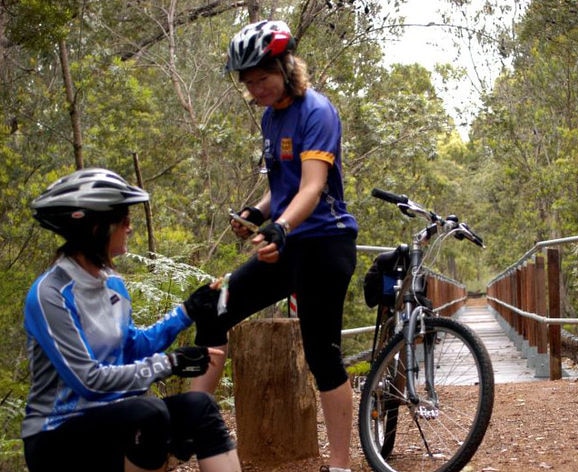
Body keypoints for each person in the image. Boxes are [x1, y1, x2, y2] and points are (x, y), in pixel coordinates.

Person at [189, 20, 359, 472]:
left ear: (286, 68)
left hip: (325, 244)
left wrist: (279, 227)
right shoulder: (270, 117)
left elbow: (313, 186)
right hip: (287, 243)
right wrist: (257, 214)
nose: (255, 88)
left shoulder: (317, 111)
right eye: (247, 82)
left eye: (262, 78)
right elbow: (282, 187)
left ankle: (339, 465)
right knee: (214, 307)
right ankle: (191, 431)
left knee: (322, 354)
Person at [22, 168, 241, 472]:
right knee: (148, 413)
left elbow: (132, 345)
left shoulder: (112, 284)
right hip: (56, 436)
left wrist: (187, 311)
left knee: (199, 408)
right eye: (124, 220)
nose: (130, 228)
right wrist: (169, 364)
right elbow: (89, 381)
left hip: (114, 418)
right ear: (95, 226)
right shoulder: (50, 295)